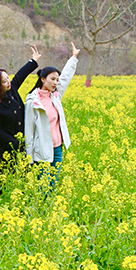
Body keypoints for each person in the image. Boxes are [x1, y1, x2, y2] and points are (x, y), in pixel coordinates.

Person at [0, 46, 41, 193]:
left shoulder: (12, 89)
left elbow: (21, 74)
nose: (9, 83)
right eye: (4, 81)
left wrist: (33, 60)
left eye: (8, 79)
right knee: (3, 177)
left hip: (24, 144)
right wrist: (15, 143)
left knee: (24, 176)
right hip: (7, 147)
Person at [24, 42, 80, 187]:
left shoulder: (55, 96)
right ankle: (40, 209)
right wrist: (29, 157)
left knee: (53, 184)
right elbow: (29, 131)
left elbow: (66, 78)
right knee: (42, 187)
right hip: (42, 151)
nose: (55, 82)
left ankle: (48, 210)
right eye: (52, 79)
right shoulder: (32, 102)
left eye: (57, 79)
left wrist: (73, 57)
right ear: (43, 79)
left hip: (58, 148)